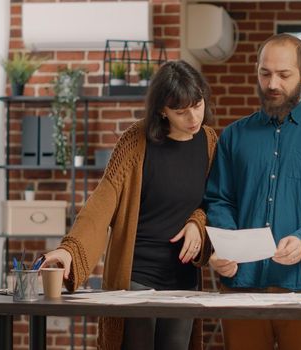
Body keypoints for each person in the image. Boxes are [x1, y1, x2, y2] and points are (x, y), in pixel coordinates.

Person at [41, 60, 217, 350]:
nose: (193, 117)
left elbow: (213, 200)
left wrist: (197, 223)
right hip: (136, 275)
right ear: (162, 109)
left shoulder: (209, 141)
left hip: (182, 278)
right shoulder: (136, 141)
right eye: (181, 111)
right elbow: (102, 202)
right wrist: (69, 249)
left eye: (197, 105)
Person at [204, 33, 301, 350]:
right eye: (265, 73)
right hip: (241, 283)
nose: (272, 83)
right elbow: (219, 199)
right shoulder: (233, 136)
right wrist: (227, 245)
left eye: (284, 75)